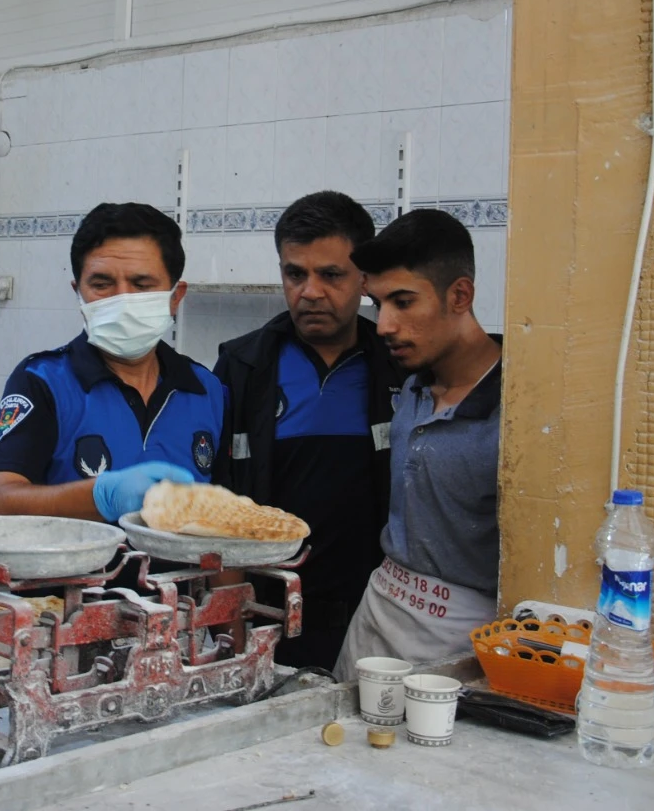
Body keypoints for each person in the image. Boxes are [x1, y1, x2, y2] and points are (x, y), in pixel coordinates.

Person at [211, 192, 403, 669]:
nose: (310, 291)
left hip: (374, 622)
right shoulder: (242, 368)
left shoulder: (400, 370)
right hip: (265, 620)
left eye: (330, 275)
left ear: (364, 279)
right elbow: (218, 502)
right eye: (295, 274)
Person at [333, 208, 503, 679]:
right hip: (379, 609)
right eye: (379, 304)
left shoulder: (516, 409)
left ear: (460, 295)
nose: (384, 324)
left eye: (404, 302)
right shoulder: (410, 388)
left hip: (461, 633)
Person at [0, 202, 228, 524]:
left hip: (180, 575)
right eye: (101, 284)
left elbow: (225, 520)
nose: (121, 300)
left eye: (141, 285)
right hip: (72, 573)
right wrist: (99, 496)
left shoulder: (206, 390)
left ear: (175, 296)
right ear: (79, 293)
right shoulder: (43, 382)